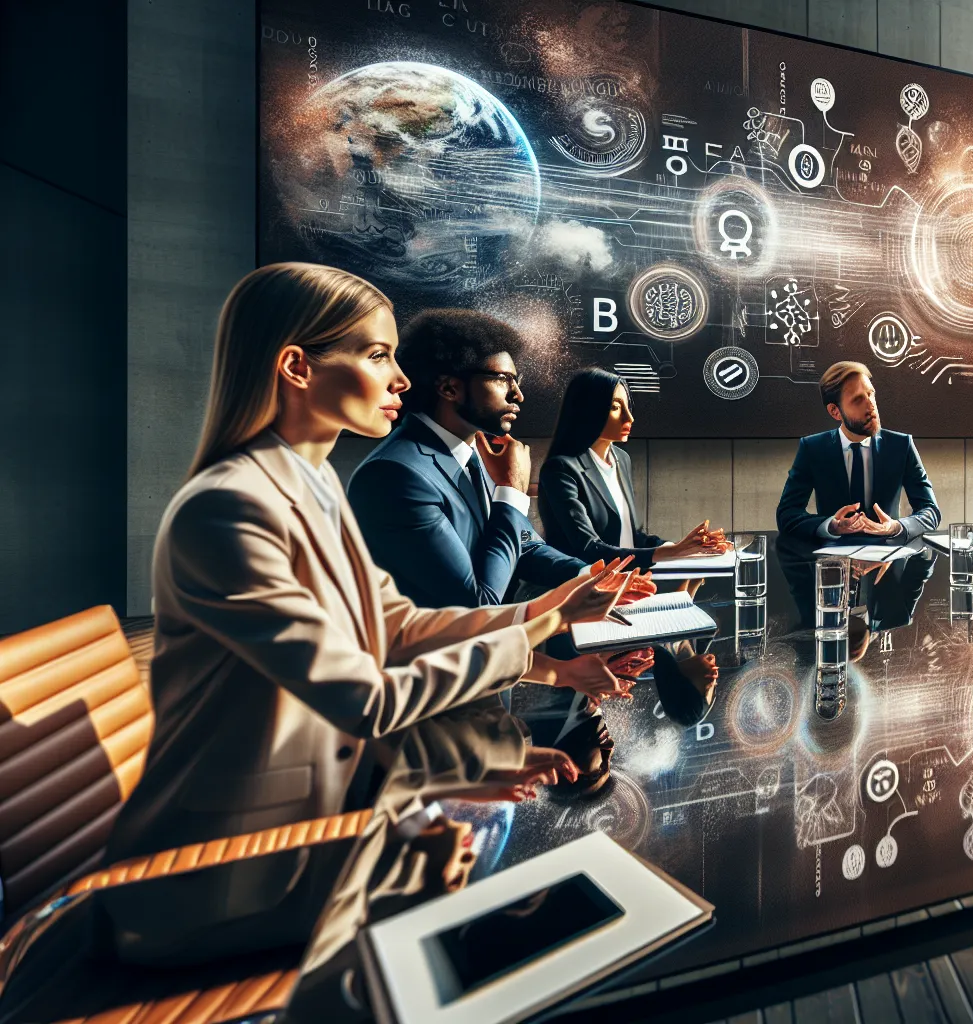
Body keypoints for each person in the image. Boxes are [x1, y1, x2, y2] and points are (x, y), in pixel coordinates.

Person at [106, 264, 630, 965]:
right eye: (378, 355)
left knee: (576, 926)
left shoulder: (314, 482)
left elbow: (397, 629)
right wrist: (536, 631)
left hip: (317, 829)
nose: (403, 380)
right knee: (562, 942)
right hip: (225, 882)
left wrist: (540, 635)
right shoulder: (227, 508)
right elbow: (363, 697)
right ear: (296, 366)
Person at [347, 308, 588, 608]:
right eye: (502, 379)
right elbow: (478, 603)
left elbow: (521, 546)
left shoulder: (477, 451)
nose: (517, 395)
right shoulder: (394, 476)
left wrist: (593, 576)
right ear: (450, 388)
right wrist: (511, 489)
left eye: (517, 380)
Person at [538, 366, 729, 567]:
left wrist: (688, 547)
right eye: (615, 407)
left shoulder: (621, 459)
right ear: (588, 410)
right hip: (584, 588)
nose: (629, 417)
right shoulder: (560, 469)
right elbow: (588, 549)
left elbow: (632, 535)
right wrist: (673, 551)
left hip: (629, 581)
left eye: (628, 406)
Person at [776, 361, 942, 543]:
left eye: (871, 394)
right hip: (832, 563)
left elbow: (930, 511)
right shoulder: (812, 448)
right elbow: (787, 514)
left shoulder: (901, 445)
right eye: (857, 400)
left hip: (888, 562)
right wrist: (830, 525)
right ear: (835, 411)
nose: (871, 405)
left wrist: (896, 527)